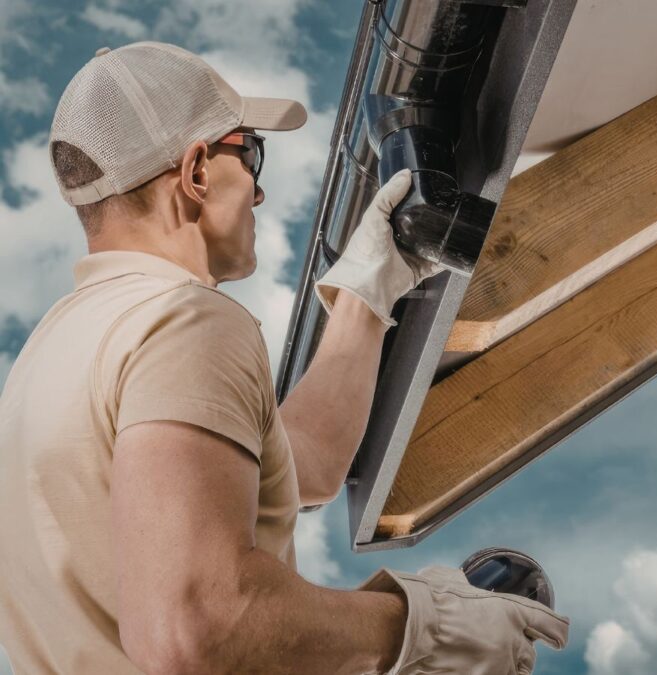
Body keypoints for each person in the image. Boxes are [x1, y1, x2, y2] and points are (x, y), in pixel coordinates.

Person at [0, 41, 569, 674]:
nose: (260, 194)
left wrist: (365, 291)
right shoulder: (184, 323)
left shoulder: (45, 364)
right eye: (251, 155)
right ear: (196, 173)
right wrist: (435, 627)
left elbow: (300, 469)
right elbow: (197, 625)